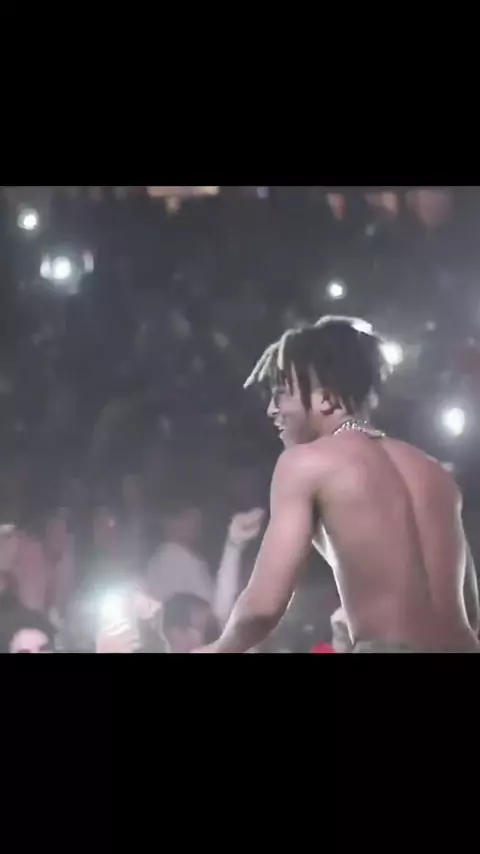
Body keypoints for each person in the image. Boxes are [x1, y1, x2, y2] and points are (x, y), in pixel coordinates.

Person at [196, 316, 480, 653]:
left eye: (282, 394)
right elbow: (470, 613)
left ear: (326, 399)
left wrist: (217, 649)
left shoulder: (306, 464)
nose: (272, 409)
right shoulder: (434, 473)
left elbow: (263, 607)